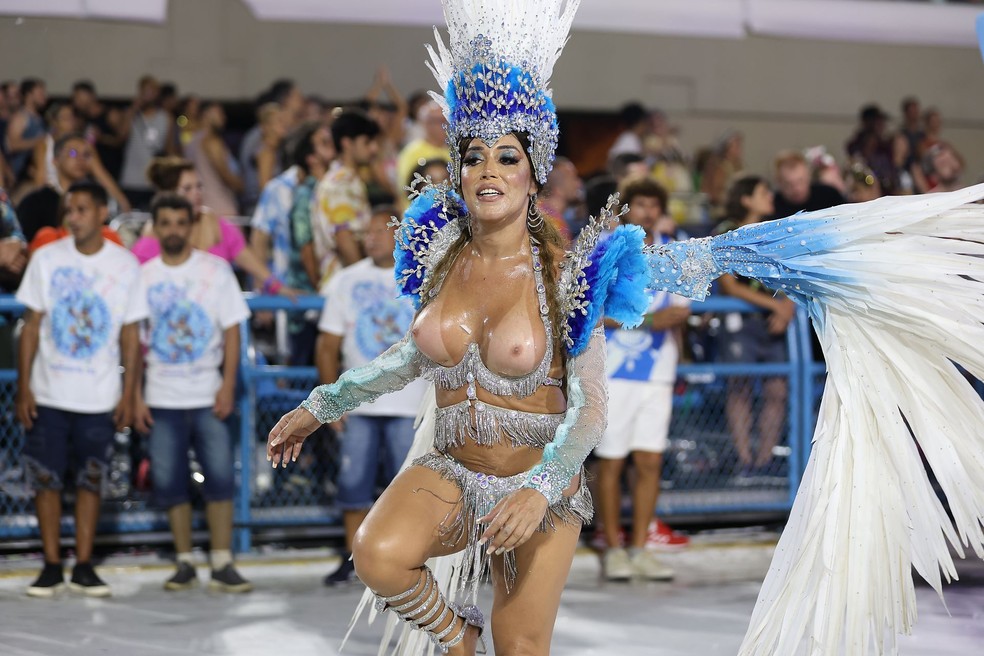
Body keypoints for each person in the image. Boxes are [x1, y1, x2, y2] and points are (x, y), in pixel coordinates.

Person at [268, 1, 984, 654]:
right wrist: (321, 404)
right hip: (449, 469)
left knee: (521, 650)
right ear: (456, 172)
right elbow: (409, 357)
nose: (489, 170)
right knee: (378, 554)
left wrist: (541, 488)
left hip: (539, 485)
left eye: (507, 156)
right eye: (474, 156)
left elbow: (590, 410)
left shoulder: (568, 277)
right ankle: (459, 638)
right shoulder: (439, 256)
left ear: (533, 173)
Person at [16, 181, 147, 598]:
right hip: (49, 391)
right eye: (68, 210)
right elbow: (31, 327)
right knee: (45, 480)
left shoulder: (125, 265)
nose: (72, 217)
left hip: (100, 394)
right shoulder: (46, 258)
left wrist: (129, 393)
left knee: (92, 479)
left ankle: (85, 565)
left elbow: (130, 335)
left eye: (81, 209)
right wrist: (24, 388)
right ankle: (52, 565)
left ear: (102, 212)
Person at [133, 193, 253, 593]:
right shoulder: (143, 276)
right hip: (160, 394)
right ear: (155, 228)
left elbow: (232, 332)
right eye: (165, 223)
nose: (173, 230)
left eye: (180, 223)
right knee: (169, 480)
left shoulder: (216, 271)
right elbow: (133, 341)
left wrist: (227, 384)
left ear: (191, 226)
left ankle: (222, 561)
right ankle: (184, 561)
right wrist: (135, 395)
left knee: (220, 476)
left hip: (208, 393)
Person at [317, 208, 428, 585]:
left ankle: (409, 556)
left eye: (380, 231)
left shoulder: (423, 278)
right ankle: (354, 559)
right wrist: (331, 402)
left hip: (410, 402)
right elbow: (327, 345)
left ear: (400, 234)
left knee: (411, 487)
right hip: (358, 403)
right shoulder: (346, 280)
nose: (371, 238)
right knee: (353, 484)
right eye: (367, 231)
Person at [594, 178, 690, 582]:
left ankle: (639, 547)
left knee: (650, 460)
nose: (647, 212)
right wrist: (649, 321)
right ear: (625, 209)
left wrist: (679, 354)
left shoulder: (674, 253)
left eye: (654, 205)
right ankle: (613, 549)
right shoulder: (606, 249)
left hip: (659, 372)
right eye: (640, 204)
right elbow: (589, 312)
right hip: (614, 371)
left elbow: (680, 313)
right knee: (612, 460)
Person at [714, 174, 794, 479]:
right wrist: (775, 305)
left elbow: (787, 276)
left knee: (777, 390)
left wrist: (786, 305)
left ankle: (765, 462)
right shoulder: (725, 232)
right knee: (740, 389)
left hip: (772, 324)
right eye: (763, 192)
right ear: (746, 199)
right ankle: (744, 461)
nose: (770, 196)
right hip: (740, 324)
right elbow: (729, 286)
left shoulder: (774, 232)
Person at [131, 157, 293, 298]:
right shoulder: (150, 242)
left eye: (199, 186)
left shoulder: (218, 226)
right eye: (187, 189)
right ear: (169, 194)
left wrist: (278, 287)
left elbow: (249, 260)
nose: (196, 193)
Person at [311, 109, 377, 287]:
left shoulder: (349, 181)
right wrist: (363, 283)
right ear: (347, 143)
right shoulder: (339, 184)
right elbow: (344, 237)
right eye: (367, 142)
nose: (374, 149)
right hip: (345, 287)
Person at [119, 76, 177, 210]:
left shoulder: (166, 118)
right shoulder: (132, 115)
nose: (149, 94)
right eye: (145, 91)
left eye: (152, 90)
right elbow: (121, 136)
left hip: (154, 181)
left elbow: (169, 149)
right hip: (131, 180)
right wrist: (134, 108)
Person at [184, 102, 242, 218]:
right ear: (206, 115)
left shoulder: (191, 141)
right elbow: (225, 174)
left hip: (202, 207)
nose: (224, 117)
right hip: (221, 209)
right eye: (219, 113)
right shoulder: (212, 141)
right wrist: (241, 186)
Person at [5, 78, 47, 183]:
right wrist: (41, 141)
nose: (44, 97)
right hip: (22, 173)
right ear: (29, 95)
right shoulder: (20, 117)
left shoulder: (39, 118)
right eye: (40, 93)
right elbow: (12, 145)